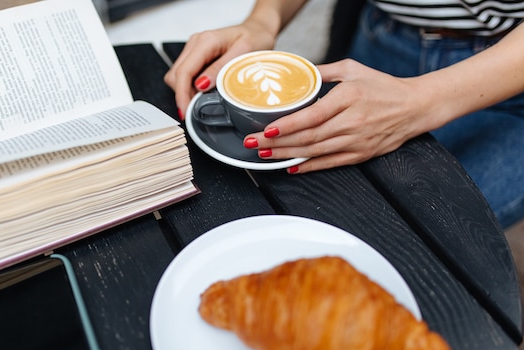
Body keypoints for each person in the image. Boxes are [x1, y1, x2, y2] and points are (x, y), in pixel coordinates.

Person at [164, 0, 524, 229]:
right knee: (317, 216)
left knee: (413, 235)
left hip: (505, 79)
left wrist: (422, 101)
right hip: (379, 38)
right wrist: (263, 18)